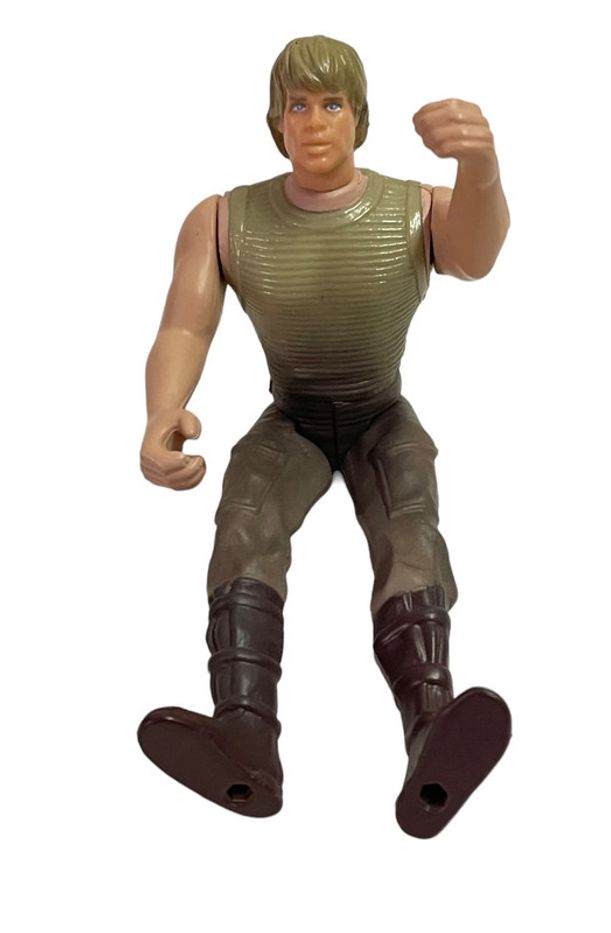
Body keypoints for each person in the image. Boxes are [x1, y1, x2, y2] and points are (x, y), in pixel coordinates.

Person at [138, 35, 511, 838]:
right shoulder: (224, 219)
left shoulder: (414, 209)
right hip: (293, 418)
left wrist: (479, 169)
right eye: (297, 105)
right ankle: (243, 733)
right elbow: (184, 325)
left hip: (381, 414)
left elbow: (477, 254)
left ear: (359, 118)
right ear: (275, 122)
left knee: (410, 527)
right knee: (245, 520)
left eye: (332, 104)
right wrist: (163, 409)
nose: (313, 122)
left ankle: (432, 725)